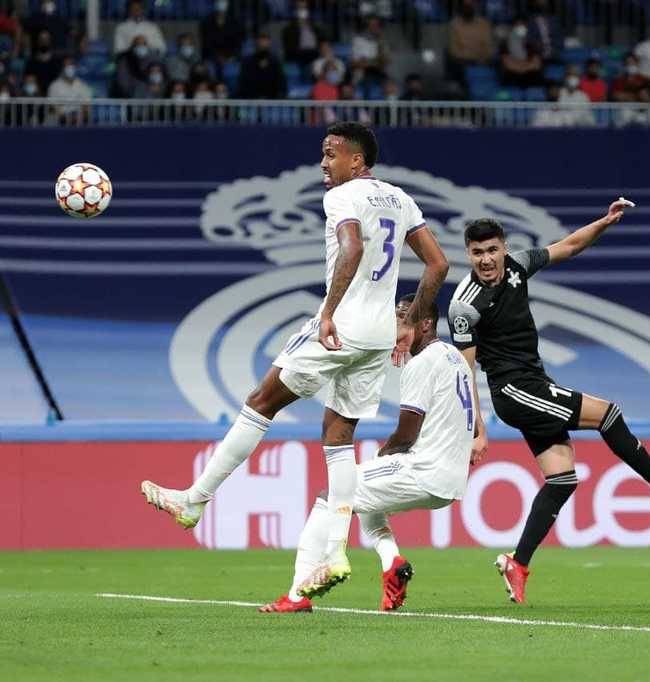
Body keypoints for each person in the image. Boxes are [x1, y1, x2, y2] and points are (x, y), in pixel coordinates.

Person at [142, 123, 450, 600]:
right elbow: (438, 264)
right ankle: (335, 551)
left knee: (261, 400)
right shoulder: (400, 199)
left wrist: (327, 314)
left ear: (356, 160)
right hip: (377, 336)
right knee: (339, 438)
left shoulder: (343, 196)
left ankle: (194, 500)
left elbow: (352, 247)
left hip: (342, 324)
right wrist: (410, 322)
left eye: (331, 154)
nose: (323, 163)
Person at [448, 201, 650, 605]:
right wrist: (477, 430)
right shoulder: (464, 306)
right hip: (514, 391)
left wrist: (604, 222)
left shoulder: (519, 265)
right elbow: (464, 374)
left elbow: (569, 246)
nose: (486, 259)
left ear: (504, 248)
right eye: (477, 252)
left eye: (492, 250)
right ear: (468, 254)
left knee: (562, 480)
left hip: (534, 383)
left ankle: (518, 563)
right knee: (608, 414)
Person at [259, 295, 475, 613]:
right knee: (365, 502)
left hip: (424, 469)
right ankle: (392, 563)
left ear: (426, 324)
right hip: (452, 478)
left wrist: (383, 456)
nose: (396, 324)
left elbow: (407, 434)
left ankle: (296, 594)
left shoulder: (422, 363)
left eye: (404, 317)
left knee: (333, 493)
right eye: (395, 317)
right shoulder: (453, 356)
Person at [237, 33, 287, 100]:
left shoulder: (275, 62)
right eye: (261, 40)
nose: (263, 43)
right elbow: (243, 83)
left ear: (269, 42)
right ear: (256, 42)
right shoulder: (248, 61)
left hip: (271, 99)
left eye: (266, 40)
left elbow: (281, 82)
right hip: (252, 98)